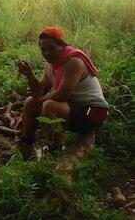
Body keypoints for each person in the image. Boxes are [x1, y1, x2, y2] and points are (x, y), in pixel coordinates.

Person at [16, 27, 109, 159]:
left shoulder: (73, 62)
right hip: (74, 108)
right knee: (30, 102)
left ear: (61, 45)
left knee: (49, 106)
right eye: (43, 50)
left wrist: (41, 99)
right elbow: (40, 91)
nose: (47, 53)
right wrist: (29, 76)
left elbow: (61, 96)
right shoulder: (51, 65)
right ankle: (26, 144)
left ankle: (55, 151)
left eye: (51, 48)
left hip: (92, 111)